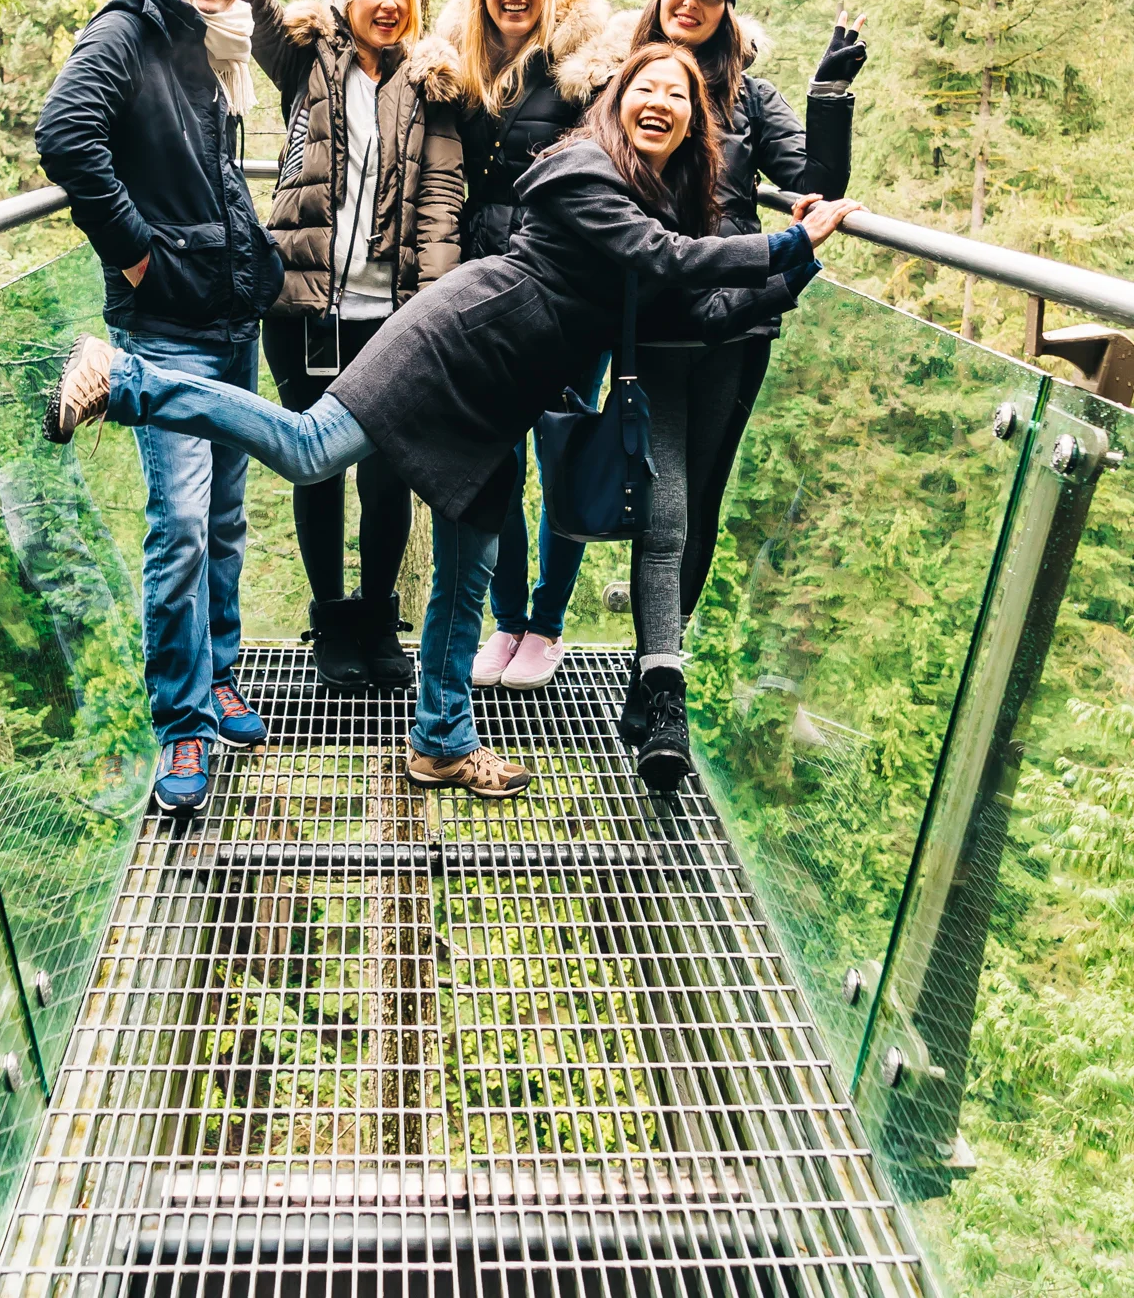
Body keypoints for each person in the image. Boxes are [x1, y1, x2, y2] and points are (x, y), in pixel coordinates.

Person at [42, 43, 858, 801]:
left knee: (470, 564)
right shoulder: (584, 169)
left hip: (502, 391)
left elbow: (706, 304)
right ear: (615, 99)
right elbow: (668, 264)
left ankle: (441, 738)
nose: (659, 102)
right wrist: (786, 242)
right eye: (644, 87)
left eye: (677, 96)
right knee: (310, 449)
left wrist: (802, 265)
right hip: (458, 343)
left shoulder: (659, 205)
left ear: (692, 124)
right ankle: (128, 378)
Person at [181, 0, 463, 692]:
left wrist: (437, 305)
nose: (387, 2)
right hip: (304, 305)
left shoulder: (432, 84)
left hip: (396, 316)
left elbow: (445, 201)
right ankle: (331, 626)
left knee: (388, 480)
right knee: (315, 470)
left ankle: (379, 623)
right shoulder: (305, 62)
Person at [35, 0, 282, 818]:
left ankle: (218, 674)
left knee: (221, 518)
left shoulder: (206, 48)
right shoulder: (129, 29)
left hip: (228, 317)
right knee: (178, 526)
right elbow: (66, 137)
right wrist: (136, 255)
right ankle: (181, 718)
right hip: (168, 323)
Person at [615, 0, 867, 772]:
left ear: (727, 10)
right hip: (650, 322)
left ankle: (658, 669)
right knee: (665, 507)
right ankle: (662, 695)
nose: (689, 3)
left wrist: (828, 94)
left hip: (735, 327)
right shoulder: (626, 82)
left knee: (703, 506)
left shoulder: (752, 101)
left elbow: (816, 189)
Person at [437, 0, 614, 693]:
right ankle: (506, 621)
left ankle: (547, 625)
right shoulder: (461, 70)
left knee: (563, 453)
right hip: (488, 286)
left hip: (574, 290)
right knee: (495, 461)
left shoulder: (585, 69)